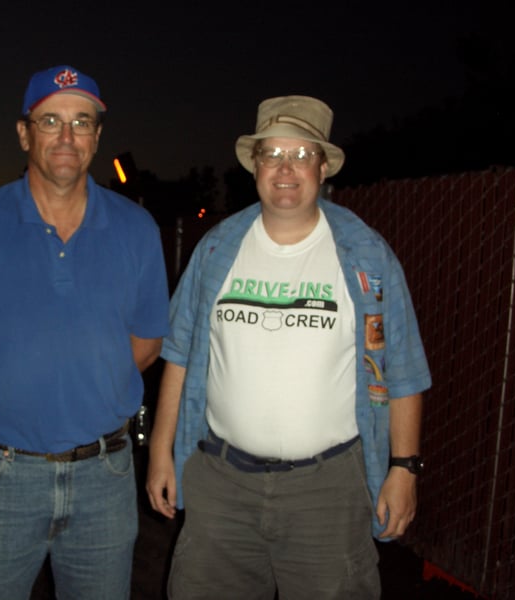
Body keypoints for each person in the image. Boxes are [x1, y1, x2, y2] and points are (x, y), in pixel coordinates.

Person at [146, 96, 432, 599]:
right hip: (221, 483)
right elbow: (180, 355)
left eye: (302, 155)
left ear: (322, 168)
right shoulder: (216, 249)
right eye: (273, 154)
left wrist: (403, 470)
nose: (286, 168)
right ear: (255, 165)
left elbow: (403, 368)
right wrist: (161, 454)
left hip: (328, 492)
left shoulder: (366, 256)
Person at [0, 65, 169, 599]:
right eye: (50, 120)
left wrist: (84, 390)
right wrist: (12, 400)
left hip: (104, 478)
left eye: (82, 122)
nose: (66, 136)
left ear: (97, 137)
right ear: (24, 132)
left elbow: (147, 344)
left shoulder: (136, 228)